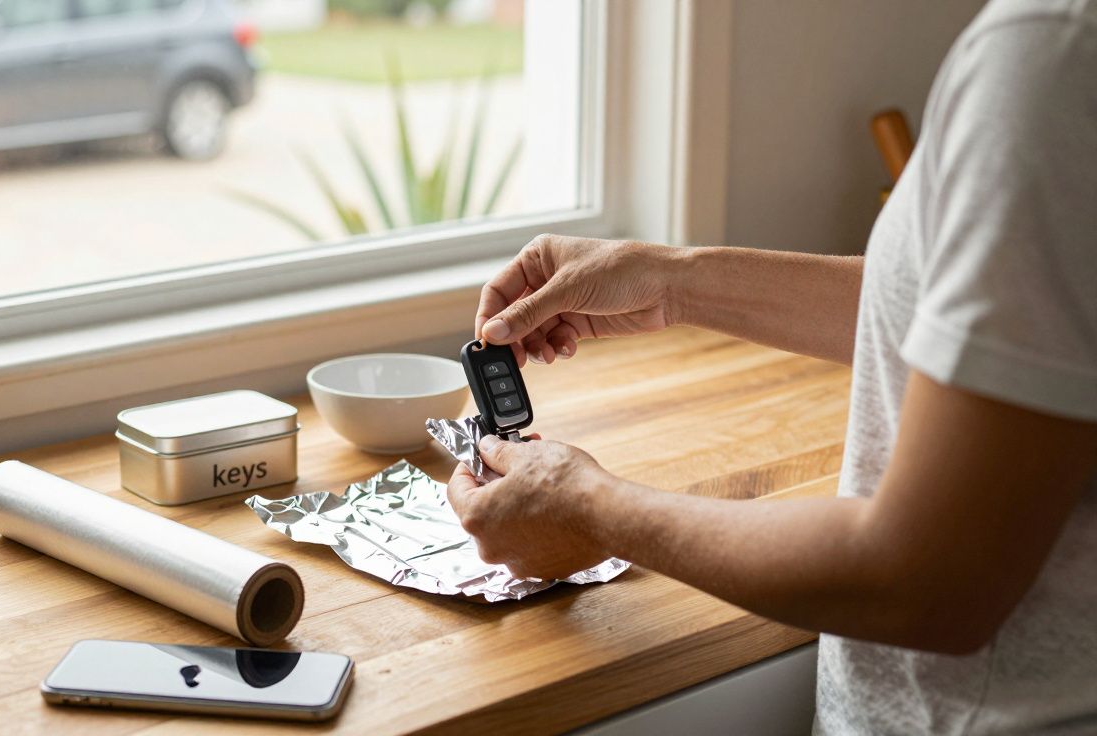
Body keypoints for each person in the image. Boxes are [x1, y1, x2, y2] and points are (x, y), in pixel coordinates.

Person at [445, 0, 1097, 732]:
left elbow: (926, 580)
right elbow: (976, 311)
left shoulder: (1052, 53)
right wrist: (669, 279)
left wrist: (590, 508)